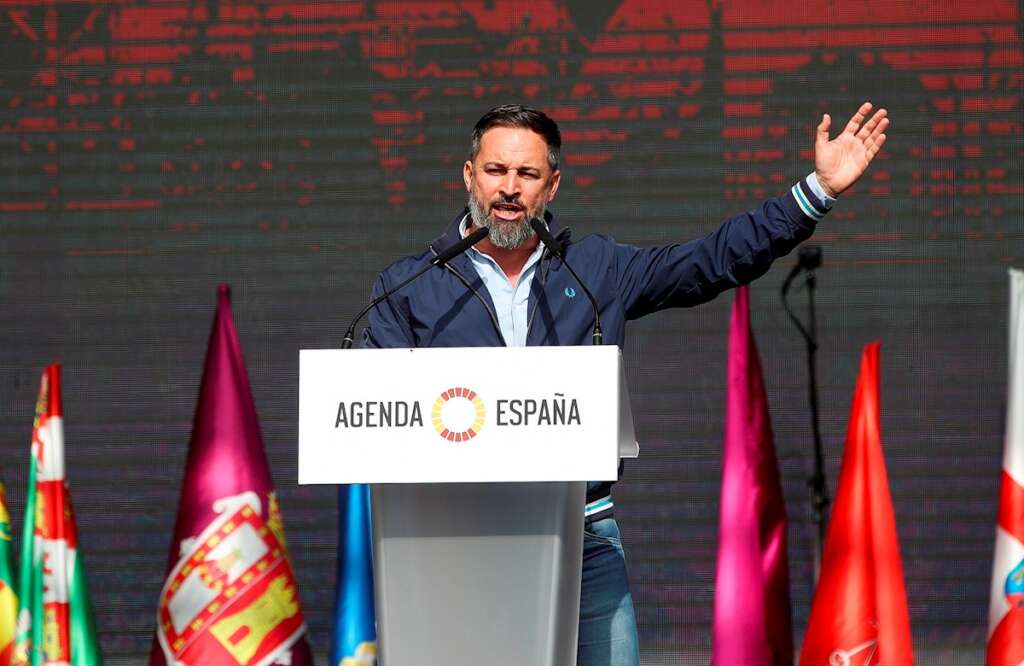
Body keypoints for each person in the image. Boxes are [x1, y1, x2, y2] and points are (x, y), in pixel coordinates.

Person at [362, 103, 888, 665]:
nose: (509, 188)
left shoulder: (594, 270)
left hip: (583, 540)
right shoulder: (410, 285)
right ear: (469, 175)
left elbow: (710, 261)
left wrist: (816, 191)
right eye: (496, 171)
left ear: (552, 185)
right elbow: (379, 417)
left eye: (528, 174)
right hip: (459, 543)